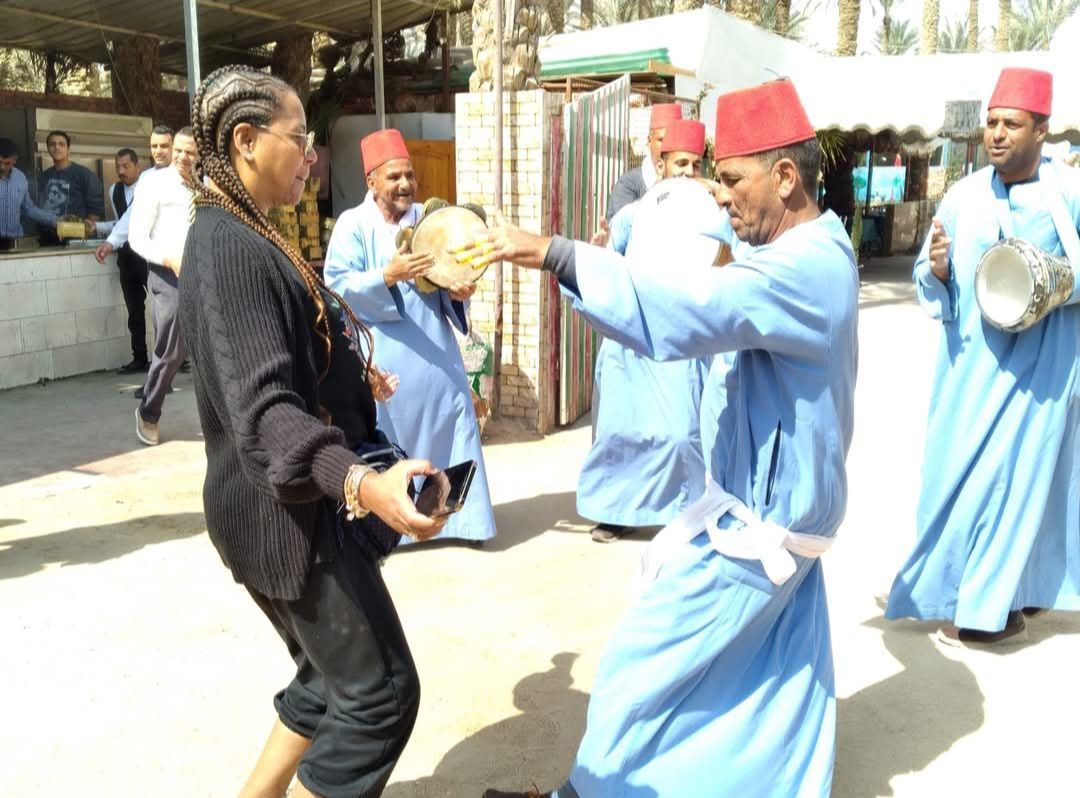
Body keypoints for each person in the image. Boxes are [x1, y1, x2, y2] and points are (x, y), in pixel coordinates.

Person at [468, 79, 858, 798]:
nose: (721, 196)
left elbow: (689, 308)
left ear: (785, 176)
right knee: (766, 678)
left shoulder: (803, 270)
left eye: (734, 180)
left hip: (758, 531)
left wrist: (552, 252)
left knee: (634, 675)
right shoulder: (819, 249)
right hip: (779, 518)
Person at [180, 65, 445, 798]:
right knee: (380, 696)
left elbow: (291, 352)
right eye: (300, 139)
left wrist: (351, 380)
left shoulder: (246, 228)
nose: (311, 156)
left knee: (327, 681)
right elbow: (265, 418)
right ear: (244, 141)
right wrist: (359, 479)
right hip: (283, 517)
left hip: (276, 505)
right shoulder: (228, 246)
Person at [885, 67, 1080, 646]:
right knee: (957, 480)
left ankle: (985, 608)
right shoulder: (963, 195)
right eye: (992, 123)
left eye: (1011, 124)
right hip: (969, 372)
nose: (996, 133)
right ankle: (979, 590)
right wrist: (937, 270)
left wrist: (1056, 285)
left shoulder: (1067, 194)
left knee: (1021, 482)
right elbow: (928, 277)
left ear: (1040, 131)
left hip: (1040, 372)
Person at [324, 129, 497, 545]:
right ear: (371, 182)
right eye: (394, 177)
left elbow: (455, 273)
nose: (405, 185)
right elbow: (336, 288)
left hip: (437, 354)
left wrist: (459, 291)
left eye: (409, 176)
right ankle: (393, 529)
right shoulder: (352, 225)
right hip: (384, 359)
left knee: (456, 428)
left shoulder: (432, 219)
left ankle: (462, 523)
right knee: (388, 438)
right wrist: (388, 276)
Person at [580, 118, 713, 544]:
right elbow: (606, 265)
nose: (688, 173)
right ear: (663, 163)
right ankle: (613, 513)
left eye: (695, 165)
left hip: (680, 343)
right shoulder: (633, 216)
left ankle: (689, 514)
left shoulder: (711, 216)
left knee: (681, 433)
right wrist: (599, 248)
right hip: (630, 346)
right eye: (680, 164)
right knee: (621, 433)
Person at [129, 127, 197, 446]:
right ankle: (149, 411)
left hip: (202, 274)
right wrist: (169, 259)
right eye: (180, 151)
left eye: (191, 152)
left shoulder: (205, 185)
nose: (184, 157)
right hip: (167, 273)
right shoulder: (153, 184)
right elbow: (137, 237)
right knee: (171, 350)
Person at [92, 148, 150, 373]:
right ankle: (140, 358)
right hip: (126, 256)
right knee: (134, 310)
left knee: (165, 310)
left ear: (138, 167)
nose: (121, 171)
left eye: (126, 166)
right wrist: (97, 228)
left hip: (148, 254)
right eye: (117, 166)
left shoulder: (149, 187)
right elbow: (122, 223)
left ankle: (179, 356)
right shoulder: (114, 190)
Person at [604, 103, 682, 222]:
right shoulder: (629, 184)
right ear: (649, 141)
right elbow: (624, 229)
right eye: (661, 140)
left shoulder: (686, 182)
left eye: (673, 140)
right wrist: (656, 194)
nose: (667, 146)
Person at [38, 130, 105, 223]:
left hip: (74, 233)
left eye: (61, 144)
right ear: (48, 148)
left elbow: (96, 208)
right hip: (48, 233)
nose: (57, 147)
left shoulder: (84, 175)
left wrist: (86, 230)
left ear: (68, 149)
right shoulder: (44, 176)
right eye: (52, 144)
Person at [0, 137, 57, 238]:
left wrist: (55, 220)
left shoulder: (20, 177)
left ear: (15, 160)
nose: (2, 167)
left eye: (7, 163)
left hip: (15, 241)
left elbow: (29, 208)